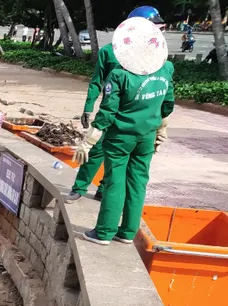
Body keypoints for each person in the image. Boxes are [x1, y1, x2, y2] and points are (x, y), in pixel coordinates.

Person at [78, 17, 174, 246]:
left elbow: (108, 111)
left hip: (120, 138)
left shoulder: (120, 75)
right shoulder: (166, 69)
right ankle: (128, 232)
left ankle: (103, 232)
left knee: (114, 181)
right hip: (146, 137)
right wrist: (161, 126)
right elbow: (168, 104)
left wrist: (90, 139)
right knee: (138, 181)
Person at [67, 6, 165, 204]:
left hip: (134, 116)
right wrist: (88, 107)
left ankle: (104, 188)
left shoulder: (156, 55)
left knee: (119, 159)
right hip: (110, 112)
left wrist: (161, 122)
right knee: (96, 150)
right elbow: (97, 81)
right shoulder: (110, 52)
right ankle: (79, 187)